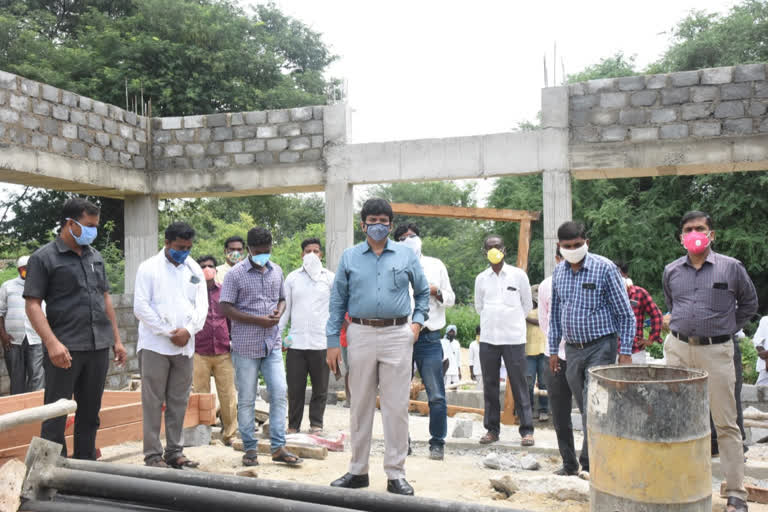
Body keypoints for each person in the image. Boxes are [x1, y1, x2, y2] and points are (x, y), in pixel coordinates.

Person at [326, 198, 429, 496]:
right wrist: (333, 341)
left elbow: (422, 292)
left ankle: (396, 474)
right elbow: (337, 303)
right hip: (359, 332)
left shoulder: (406, 256)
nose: (379, 226)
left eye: (384, 220)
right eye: (373, 220)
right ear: (363, 225)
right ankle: (358, 470)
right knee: (359, 404)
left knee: (396, 407)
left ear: (391, 224)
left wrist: (416, 324)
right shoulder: (349, 257)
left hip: (398, 333)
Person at [663, 211, 758, 512]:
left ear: (712, 234)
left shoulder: (731, 268)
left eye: (700, 228)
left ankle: (736, 495)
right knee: (679, 420)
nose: (694, 233)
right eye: (689, 229)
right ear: (681, 238)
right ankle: (683, 485)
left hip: (716, 352)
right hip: (678, 349)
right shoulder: (672, 271)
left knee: (726, 422)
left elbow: (750, 303)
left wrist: (726, 328)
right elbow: (672, 304)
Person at [23, 198, 127, 459]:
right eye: (89, 225)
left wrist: (116, 340)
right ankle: (52, 473)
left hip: (97, 346)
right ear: (71, 224)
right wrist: (51, 343)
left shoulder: (95, 256)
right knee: (56, 414)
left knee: (90, 414)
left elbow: (104, 299)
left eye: (96, 226)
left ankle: (84, 470)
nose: (94, 231)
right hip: (64, 348)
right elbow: (33, 304)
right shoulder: (43, 258)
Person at [548, 221, 635, 477]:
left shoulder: (605, 268)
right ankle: (581, 463)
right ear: (560, 247)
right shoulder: (559, 274)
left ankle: (591, 463)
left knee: (593, 404)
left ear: (587, 242)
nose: (573, 249)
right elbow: (555, 316)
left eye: (577, 244)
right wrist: (554, 350)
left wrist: (625, 351)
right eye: (568, 246)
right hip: (573, 349)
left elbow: (625, 314)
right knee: (584, 405)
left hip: (601, 346)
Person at [219, 227, 302, 467]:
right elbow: (225, 307)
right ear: (249, 250)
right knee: (246, 399)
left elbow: (282, 298)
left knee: (278, 392)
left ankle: (278, 446)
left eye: (266, 251)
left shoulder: (276, 270)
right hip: (245, 345)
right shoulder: (235, 275)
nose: (262, 256)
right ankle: (250, 448)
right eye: (258, 252)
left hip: (272, 343)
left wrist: (279, 310)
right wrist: (257, 320)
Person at [133, 222, 208, 468]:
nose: (184, 251)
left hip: (185, 346)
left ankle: (175, 451)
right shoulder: (148, 268)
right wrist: (168, 332)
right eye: (179, 247)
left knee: (179, 400)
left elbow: (202, 306)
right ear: (167, 243)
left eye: (188, 247)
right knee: (153, 401)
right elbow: (141, 307)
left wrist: (189, 330)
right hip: (155, 345)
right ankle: (152, 454)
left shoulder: (193, 268)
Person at [394, 222, 455, 460]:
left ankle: (437, 443)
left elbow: (450, 298)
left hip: (429, 337)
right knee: (397, 393)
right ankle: (402, 442)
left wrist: (436, 291)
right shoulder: (391, 265)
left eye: (413, 236)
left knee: (436, 394)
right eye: (403, 237)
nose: (409, 239)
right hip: (400, 335)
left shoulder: (435, 264)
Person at [474, 234, 534, 446]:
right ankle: (492, 430)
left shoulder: (518, 276)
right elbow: (479, 307)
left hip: (513, 338)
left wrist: (510, 319)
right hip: (489, 338)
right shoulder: (481, 279)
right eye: (489, 247)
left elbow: (527, 305)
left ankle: (527, 430)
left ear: (504, 250)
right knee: (489, 385)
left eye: (497, 246)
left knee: (519, 384)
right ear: (485, 252)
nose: (494, 250)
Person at [278, 238, 334, 434]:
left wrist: (335, 340)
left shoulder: (330, 278)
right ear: (302, 254)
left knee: (320, 388)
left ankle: (316, 424)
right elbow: (285, 310)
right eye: (308, 251)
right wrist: (278, 336)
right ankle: (293, 426)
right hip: (296, 343)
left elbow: (336, 311)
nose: (312, 254)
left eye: (316, 251)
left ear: (321, 254)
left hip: (321, 343)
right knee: (295, 387)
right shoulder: (292, 278)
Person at [539, 248, 580, 476]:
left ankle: (591, 462)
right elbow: (546, 323)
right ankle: (569, 463)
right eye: (564, 255)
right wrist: (557, 346)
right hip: (554, 354)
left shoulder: (591, 278)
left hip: (583, 353)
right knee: (560, 411)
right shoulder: (547, 285)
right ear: (557, 259)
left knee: (589, 410)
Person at [193, 255, 238, 446]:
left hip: (223, 350)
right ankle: (204, 435)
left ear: (216, 270)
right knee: (200, 395)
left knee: (228, 394)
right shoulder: (192, 294)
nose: (207, 269)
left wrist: (232, 341)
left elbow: (230, 319)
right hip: (199, 351)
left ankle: (230, 434)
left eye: (210, 266)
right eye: (203, 266)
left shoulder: (224, 293)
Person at [1, 255, 45, 394]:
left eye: (30, 269)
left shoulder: (43, 286)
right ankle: (18, 408)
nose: (27, 272)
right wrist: (3, 335)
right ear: (19, 270)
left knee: (37, 376)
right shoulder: (8, 286)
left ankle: (36, 408)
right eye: (24, 269)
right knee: (16, 377)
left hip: (36, 338)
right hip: (13, 340)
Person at [613, 260, 663, 364]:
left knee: (637, 379)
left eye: (618, 273)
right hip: (611, 352)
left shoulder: (639, 293)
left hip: (635, 351)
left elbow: (656, 315)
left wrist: (651, 339)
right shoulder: (605, 294)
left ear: (625, 275)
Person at [525, 284, 549, 422]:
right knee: (528, 382)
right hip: (529, 351)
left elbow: (542, 322)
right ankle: (529, 410)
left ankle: (544, 410)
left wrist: (526, 318)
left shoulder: (543, 308)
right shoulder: (525, 308)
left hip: (543, 349)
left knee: (544, 383)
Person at [754, 316, 768, 387]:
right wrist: (766, 359)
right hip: (765, 369)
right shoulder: (765, 320)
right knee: (760, 393)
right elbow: (757, 341)